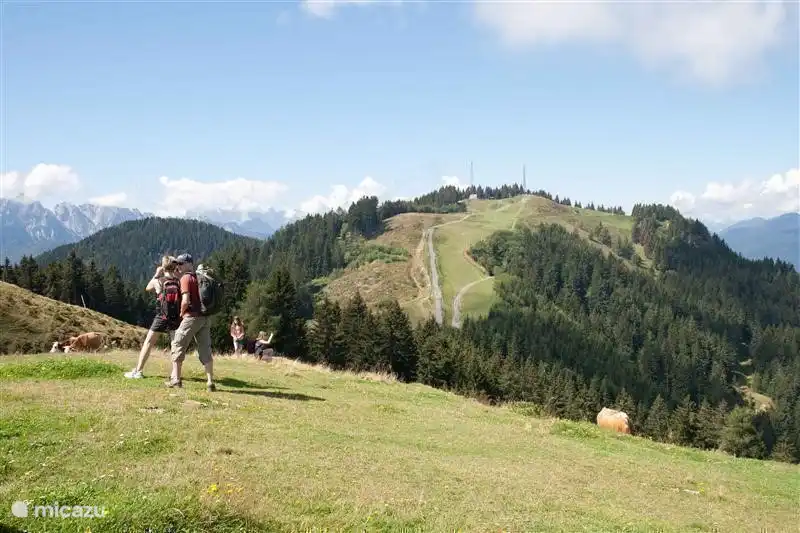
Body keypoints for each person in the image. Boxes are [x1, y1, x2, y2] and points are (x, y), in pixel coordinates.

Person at [165, 253, 215, 391]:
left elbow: (186, 300)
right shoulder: (198, 278)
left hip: (191, 317)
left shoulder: (186, 278)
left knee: (178, 344)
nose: (178, 266)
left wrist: (182, 313)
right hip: (205, 318)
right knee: (205, 348)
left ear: (189, 264)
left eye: (181, 264)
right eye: (177, 264)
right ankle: (210, 381)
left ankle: (176, 380)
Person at [124, 255, 181, 379]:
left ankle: (138, 371)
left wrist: (156, 274)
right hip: (175, 316)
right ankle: (175, 374)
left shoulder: (158, 280)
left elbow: (147, 287)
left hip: (161, 316)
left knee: (149, 342)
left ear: (163, 266)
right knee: (175, 345)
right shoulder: (178, 281)